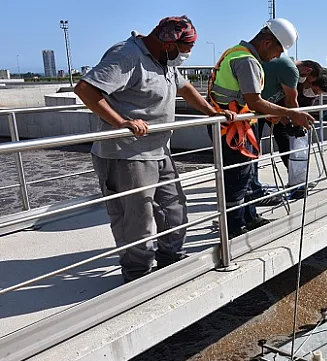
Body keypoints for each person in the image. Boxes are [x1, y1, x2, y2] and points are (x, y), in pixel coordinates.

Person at [74, 16, 238, 283]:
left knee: (174, 209)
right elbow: (86, 89)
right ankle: (137, 274)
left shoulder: (165, 61)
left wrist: (215, 112)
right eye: (185, 50)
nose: (187, 55)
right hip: (126, 154)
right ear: (167, 43)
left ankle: (169, 258)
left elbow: (184, 89)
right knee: (137, 219)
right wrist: (122, 122)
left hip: (160, 149)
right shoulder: (127, 55)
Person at [206, 18, 315, 239]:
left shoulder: (234, 52)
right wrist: (292, 113)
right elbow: (254, 101)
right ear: (267, 42)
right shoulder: (246, 60)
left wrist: (275, 118)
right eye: (278, 50)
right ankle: (234, 228)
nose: (277, 56)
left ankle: (249, 217)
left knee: (246, 175)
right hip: (232, 130)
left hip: (237, 125)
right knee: (237, 179)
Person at [246, 58, 324, 208]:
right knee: (252, 151)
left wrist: (288, 122)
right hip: (256, 110)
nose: (306, 84)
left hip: (266, 110)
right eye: (309, 81)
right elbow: (290, 101)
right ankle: (253, 191)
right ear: (307, 71)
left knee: (258, 149)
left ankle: (292, 181)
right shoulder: (291, 70)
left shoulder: (288, 70)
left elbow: (280, 102)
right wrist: (293, 121)